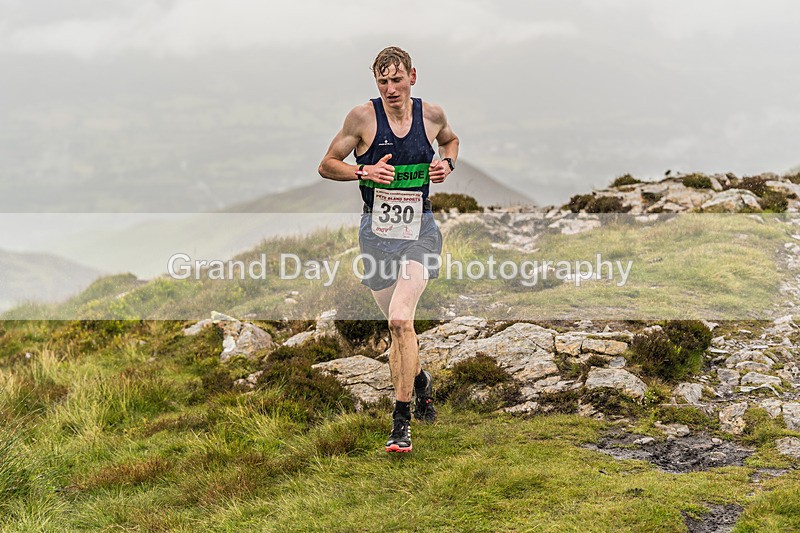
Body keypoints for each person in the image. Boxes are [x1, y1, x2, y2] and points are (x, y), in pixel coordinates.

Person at [318, 46, 459, 452]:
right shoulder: (362, 118)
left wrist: (447, 164)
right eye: (383, 82)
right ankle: (420, 380)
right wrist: (363, 170)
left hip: (419, 232)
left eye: (397, 80)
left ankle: (401, 422)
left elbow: (450, 141)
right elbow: (327, 164)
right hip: (376, 235)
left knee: (399, 319)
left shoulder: (431, 115)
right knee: (399, 330)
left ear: (412, 77)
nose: (391, 88)